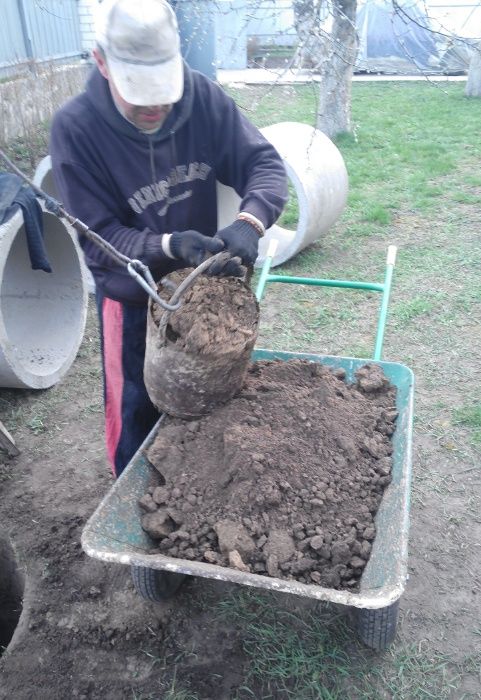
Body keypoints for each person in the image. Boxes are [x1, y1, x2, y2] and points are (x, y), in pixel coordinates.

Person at [50, 0, 287, 477]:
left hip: (202, 296)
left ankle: (199, 492)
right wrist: (168, 245)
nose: (156, 107)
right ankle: (133, 501)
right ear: (102, 63)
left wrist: (250, 223)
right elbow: (101, 239)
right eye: (141, 96)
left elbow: (264, 165)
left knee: (209, 403)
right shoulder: (76, 130)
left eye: (164, 91)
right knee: (135, 409)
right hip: (133, 300)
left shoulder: (201, 99)